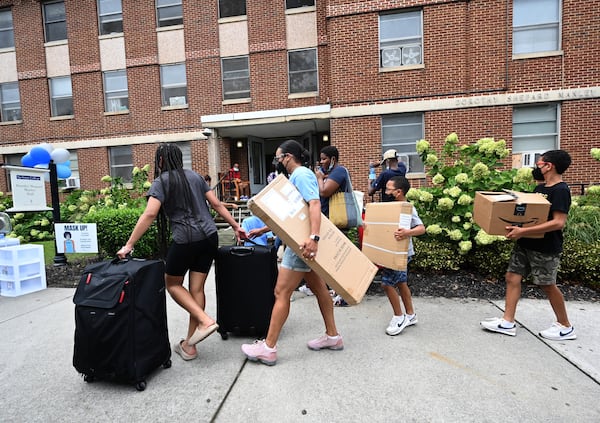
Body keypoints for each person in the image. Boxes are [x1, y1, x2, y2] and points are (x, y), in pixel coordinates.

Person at [117, 144, 247, 361]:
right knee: (196, 289)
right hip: (209, 237)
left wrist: (129, 245)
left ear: (160, 161)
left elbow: (149, 214)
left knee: (173, 284)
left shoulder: (161, 182)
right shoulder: (195, 176)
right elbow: (215, 204)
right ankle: (189, 344)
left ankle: (205, 321)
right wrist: (235, 225)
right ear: (179, 158)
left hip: (186, 240)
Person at [241, 139, 343, 366]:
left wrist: (314, 238)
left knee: (281, 292)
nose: (278, 162)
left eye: (279, 158)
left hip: (302, 244)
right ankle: (333, 336)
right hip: (302, 240)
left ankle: (268, 347)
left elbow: (314, 204)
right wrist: (263, 228)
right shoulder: (298, 176)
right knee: (319, 289)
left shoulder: (302, 175)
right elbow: (295, 215)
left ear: (288, 157)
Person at [480, 150, 576, 340]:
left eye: (539, 164)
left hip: (546, 247)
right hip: (525, 243)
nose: (536, 167)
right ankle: (507, 322)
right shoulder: (540, 189)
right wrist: (514, 227)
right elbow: (530, 216)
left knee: (547, 284)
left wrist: (522, 231)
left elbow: (558, 222)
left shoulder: (560, 190)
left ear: (549, 166)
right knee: (512, 277)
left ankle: (565, 326)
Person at [380, 175, 425, 335]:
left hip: (402, 253)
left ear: (398, 192)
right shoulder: (390, 208)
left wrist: (408, 232)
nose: (385, 192)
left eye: (388, 189)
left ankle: (399, 317)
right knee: (401, 283)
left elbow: (421, 228)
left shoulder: (407, 208)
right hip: (393, 251)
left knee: (386, 284)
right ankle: (411, 315)